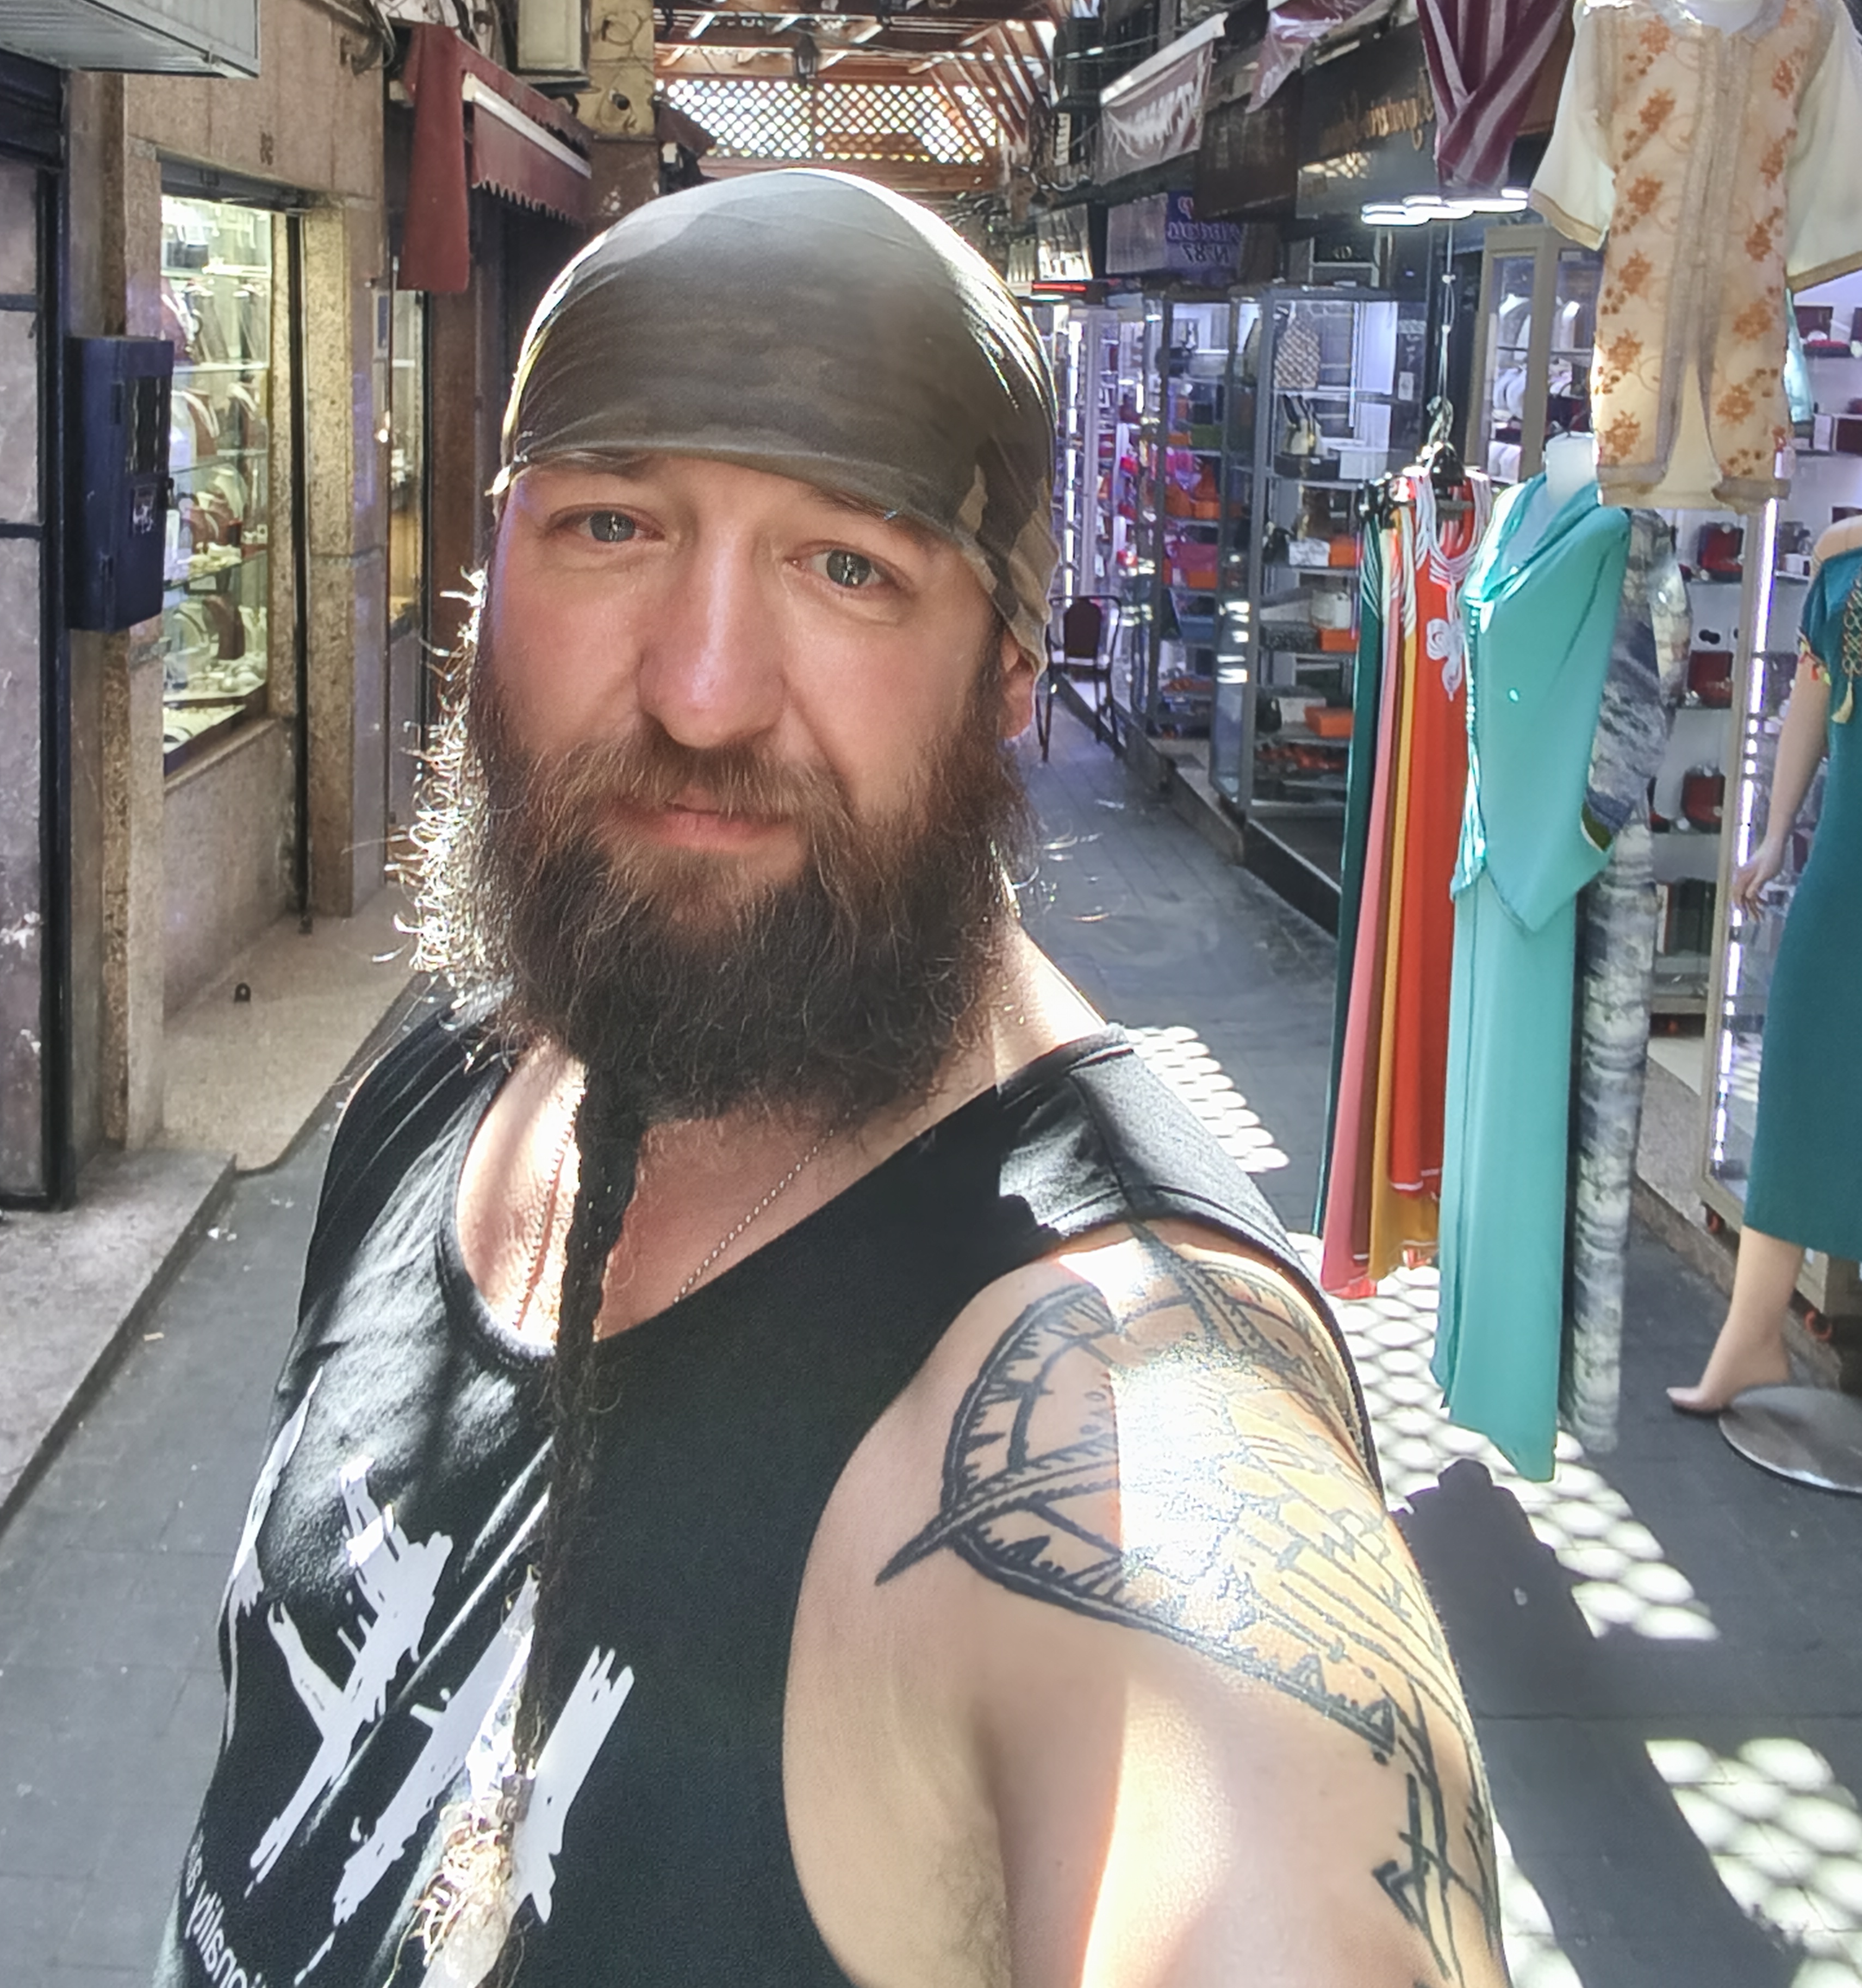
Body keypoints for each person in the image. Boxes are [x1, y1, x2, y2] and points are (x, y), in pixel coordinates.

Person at [156, 171, 1505, 1988]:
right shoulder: (446, 1086)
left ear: (1008, 670)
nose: (703, 692)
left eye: (848, 566)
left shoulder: (1114, 1397)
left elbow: (1249, 1801)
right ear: (487, 582)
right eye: (613, 525)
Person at [1670, 512, 1862, 1414]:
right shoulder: (1842, 555)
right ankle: (1751, 1336)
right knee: (1798, 1080)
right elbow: (1811, 704)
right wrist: (1776, 833)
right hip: (1844, 872)